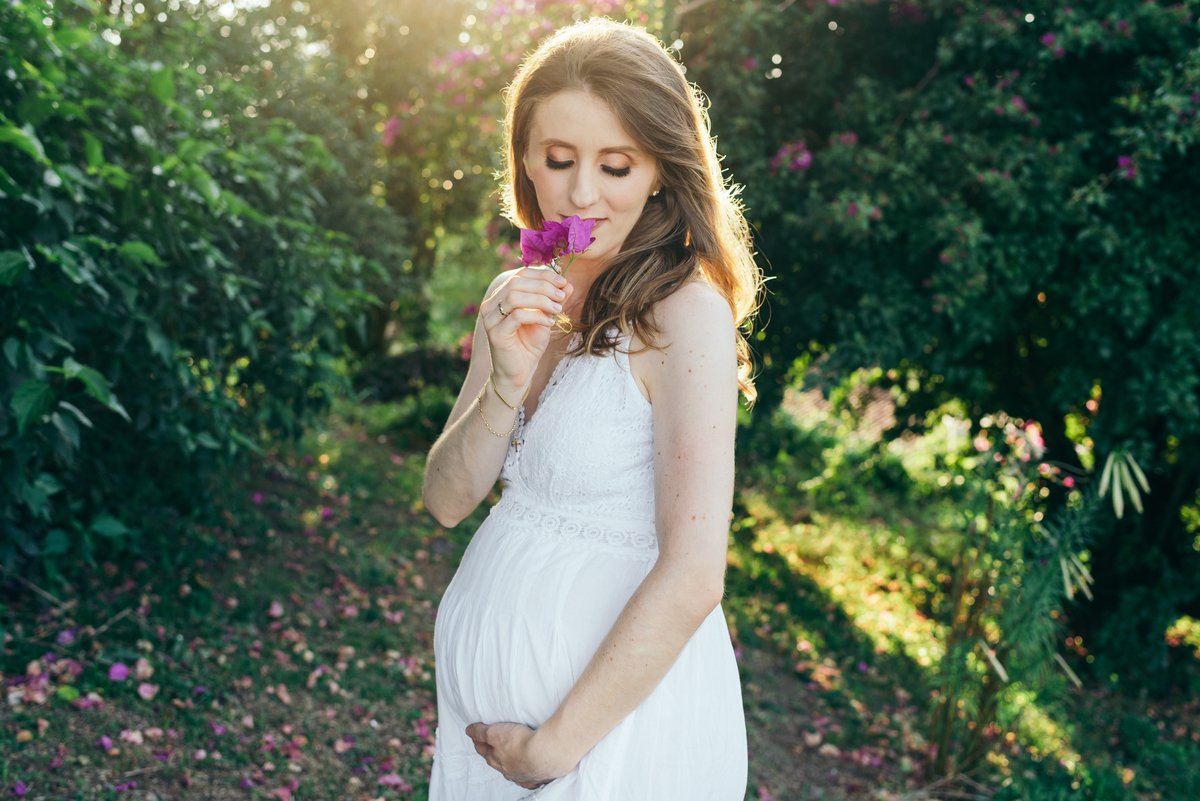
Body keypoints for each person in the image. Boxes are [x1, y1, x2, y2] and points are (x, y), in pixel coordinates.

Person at [421, 18, 761, 800]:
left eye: (615, 165)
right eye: (558, 159)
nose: (581, 193)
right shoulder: (518, 296)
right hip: (484, 744)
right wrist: (504, 381)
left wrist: (551, 750)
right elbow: (446, 500)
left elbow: (694, 573)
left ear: (661, 171)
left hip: (607, 743)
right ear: (524, 160)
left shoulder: (685, 315)